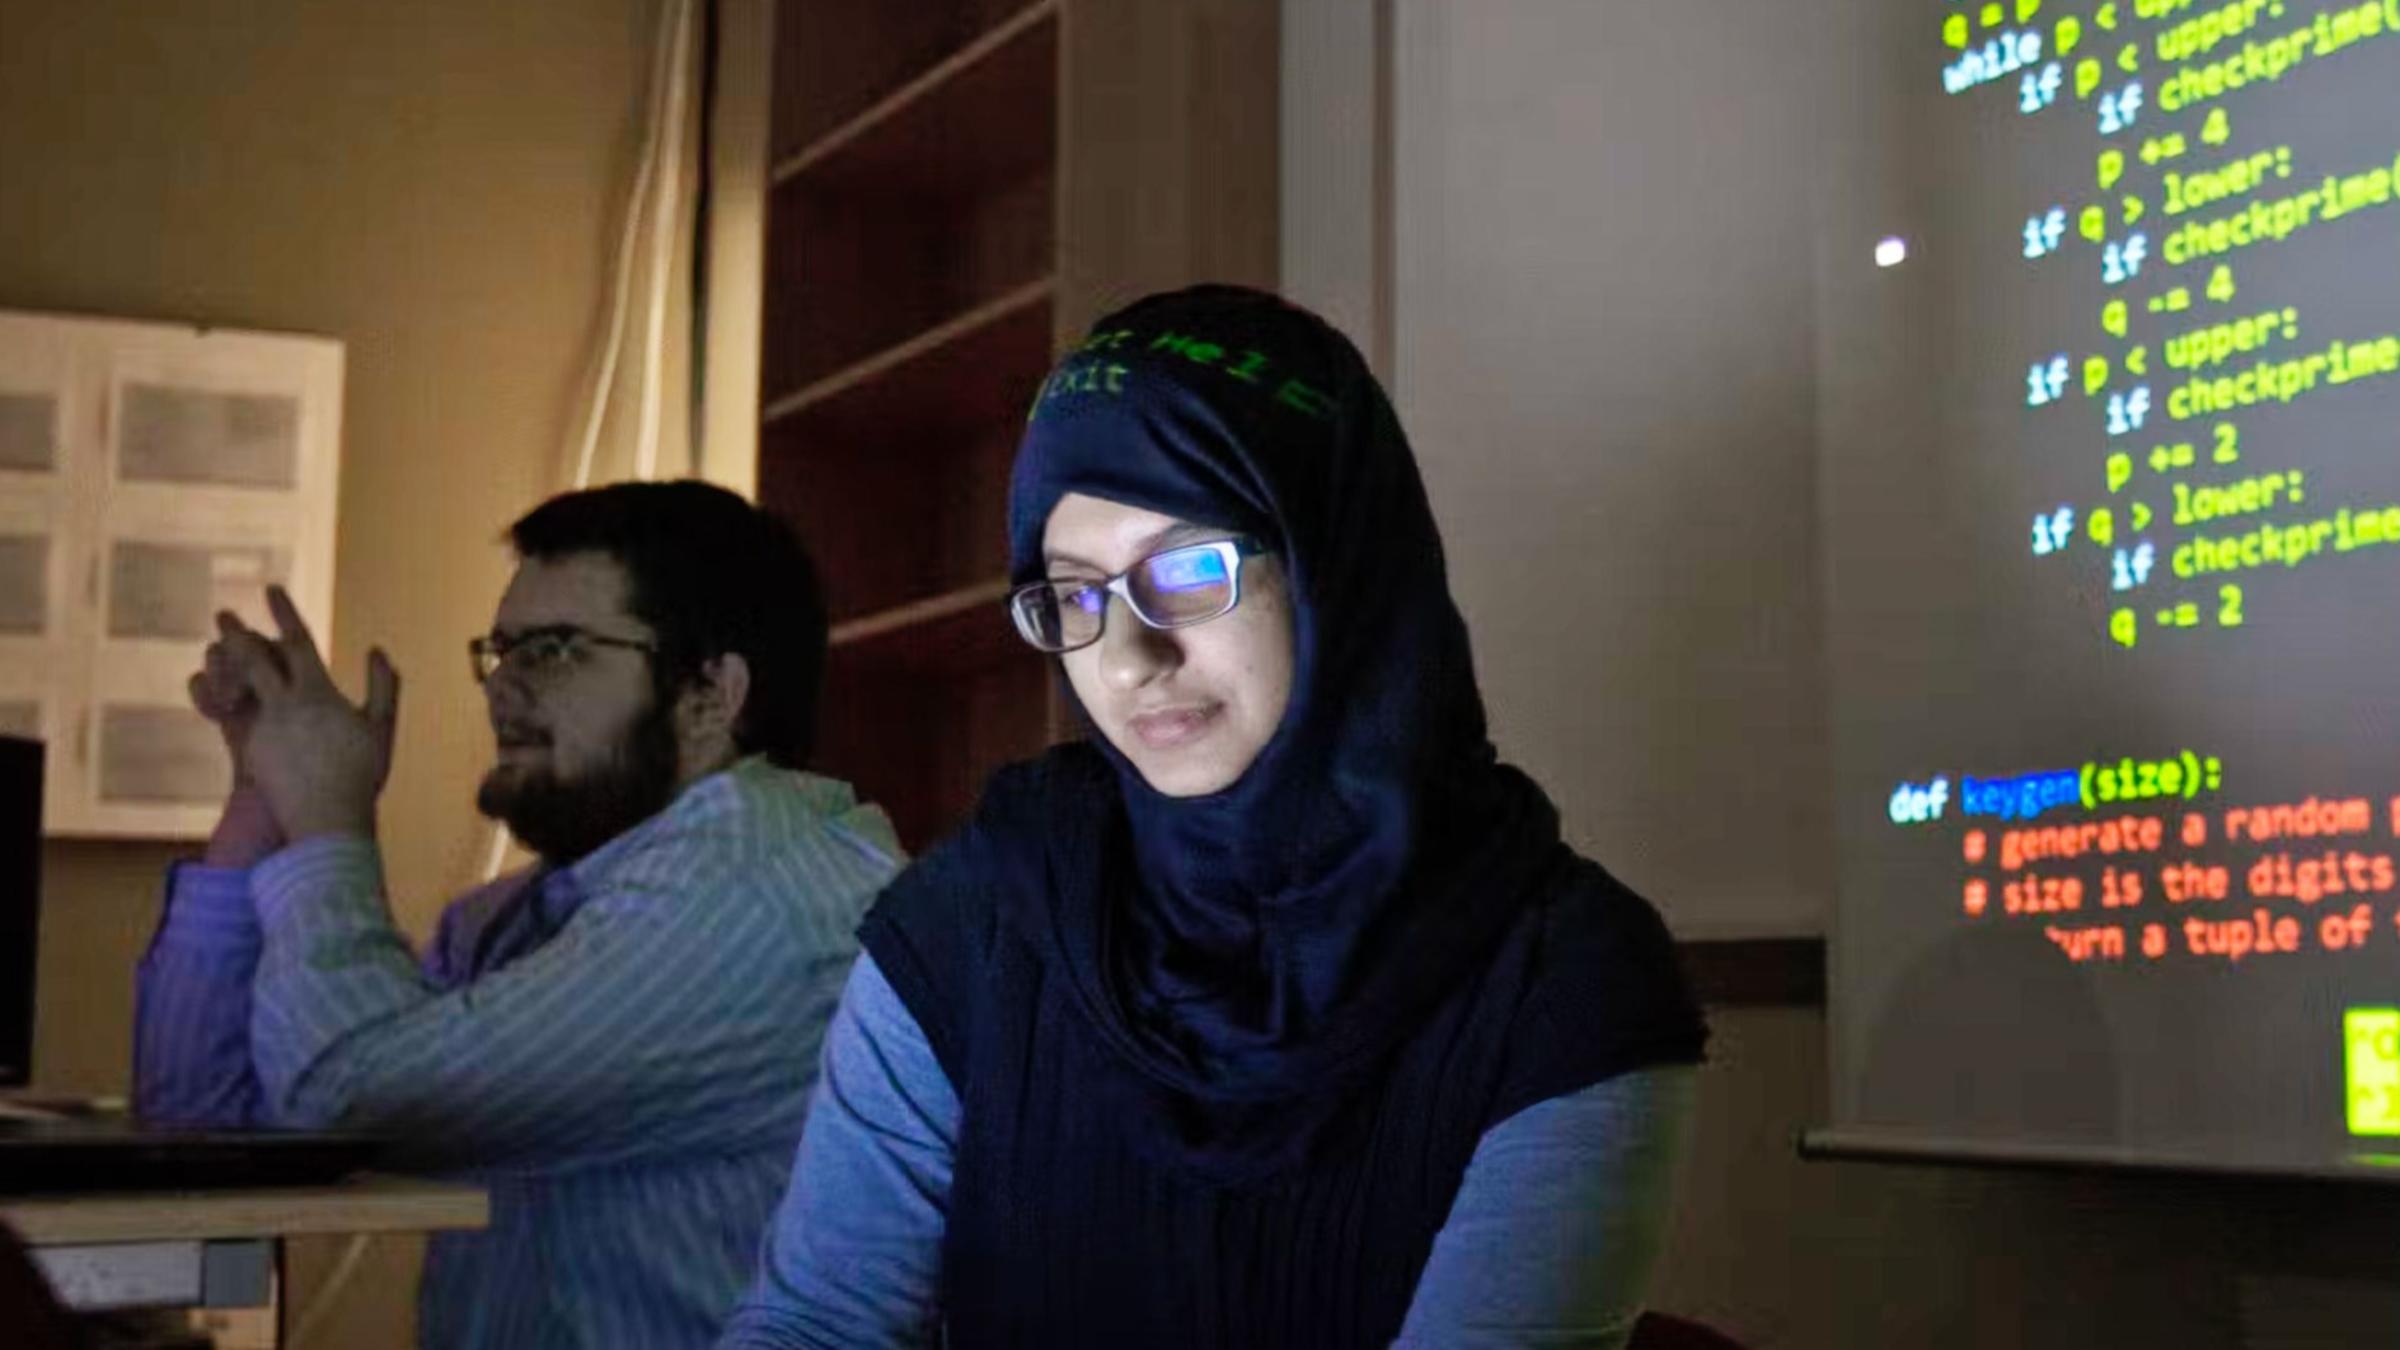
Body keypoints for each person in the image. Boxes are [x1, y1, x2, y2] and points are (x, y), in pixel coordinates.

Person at [721, 287, 1707, 1349]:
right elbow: (818, 1324)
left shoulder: (1563, 979)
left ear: (1335, 565)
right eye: (1076, 595)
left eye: (1189, 570)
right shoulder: (974, 922)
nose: (1129, 659)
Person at [133, 480, 902, 1349]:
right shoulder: (520, 916)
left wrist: (327, 820)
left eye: (556, 650)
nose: (501, 690)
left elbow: (346, 1100)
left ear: (708, 693)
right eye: (501, 651)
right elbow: (196, 1131)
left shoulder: (760, 891)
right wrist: (259, 800)